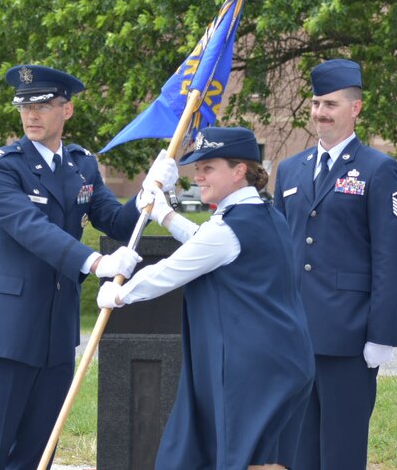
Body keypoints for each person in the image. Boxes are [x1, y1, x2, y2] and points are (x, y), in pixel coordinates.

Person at [0, 64, 176, 470]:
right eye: (24, 106)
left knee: (38, 453)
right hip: (5, 332)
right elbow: (30, 229)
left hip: (55, 335)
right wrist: (95, 261)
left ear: (67, 110)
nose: (31, 115)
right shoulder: (1, 167)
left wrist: (149, 190)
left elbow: (114, 220)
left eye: (43, 105)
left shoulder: (80, 165)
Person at [98, 126, 315, 469]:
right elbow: (207, 242)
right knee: (259, 458)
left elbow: (173, 270)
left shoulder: (231, 226)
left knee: (240, 460)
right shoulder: (262, 213)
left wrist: (120, 293)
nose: (198, 176)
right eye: (196, 168)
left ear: (239, 170)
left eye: (208, 167)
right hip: (279, 361)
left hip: (250, 369)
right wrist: (165, 215)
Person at [272, 58, 397, 469]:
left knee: (342, 453)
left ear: (356, 108)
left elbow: (390, 257)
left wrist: (380, 335)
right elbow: (279, 252)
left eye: (330, 104)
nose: (320, 113)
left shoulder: (379, 170)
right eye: (315, 103)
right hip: (296, 336)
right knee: (296, 451)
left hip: (349, 339)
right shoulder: (290, 168)